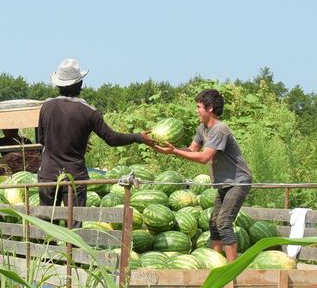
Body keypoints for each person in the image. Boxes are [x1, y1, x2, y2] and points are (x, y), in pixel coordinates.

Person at [36, 58, 157, 213]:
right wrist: (138, 137)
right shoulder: (88, 112)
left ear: (58, 85)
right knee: (74, 225)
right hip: (74, 177)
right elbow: (112, 139)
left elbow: (42, 140)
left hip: (48, 174)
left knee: (47, 224)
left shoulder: (46, 106)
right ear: (80, 84)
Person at [155, 88, 253, 263]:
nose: (197, 110)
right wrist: (168, 151)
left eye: (199, 106)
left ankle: (232, 269)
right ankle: (214, 262)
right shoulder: (203, 128)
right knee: (214, 223)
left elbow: (204, 157)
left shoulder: (220, 129)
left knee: (223, 222)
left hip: (238, 181)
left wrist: (175, 151)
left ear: (210, 108)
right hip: (224, 182)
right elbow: (193, 150)